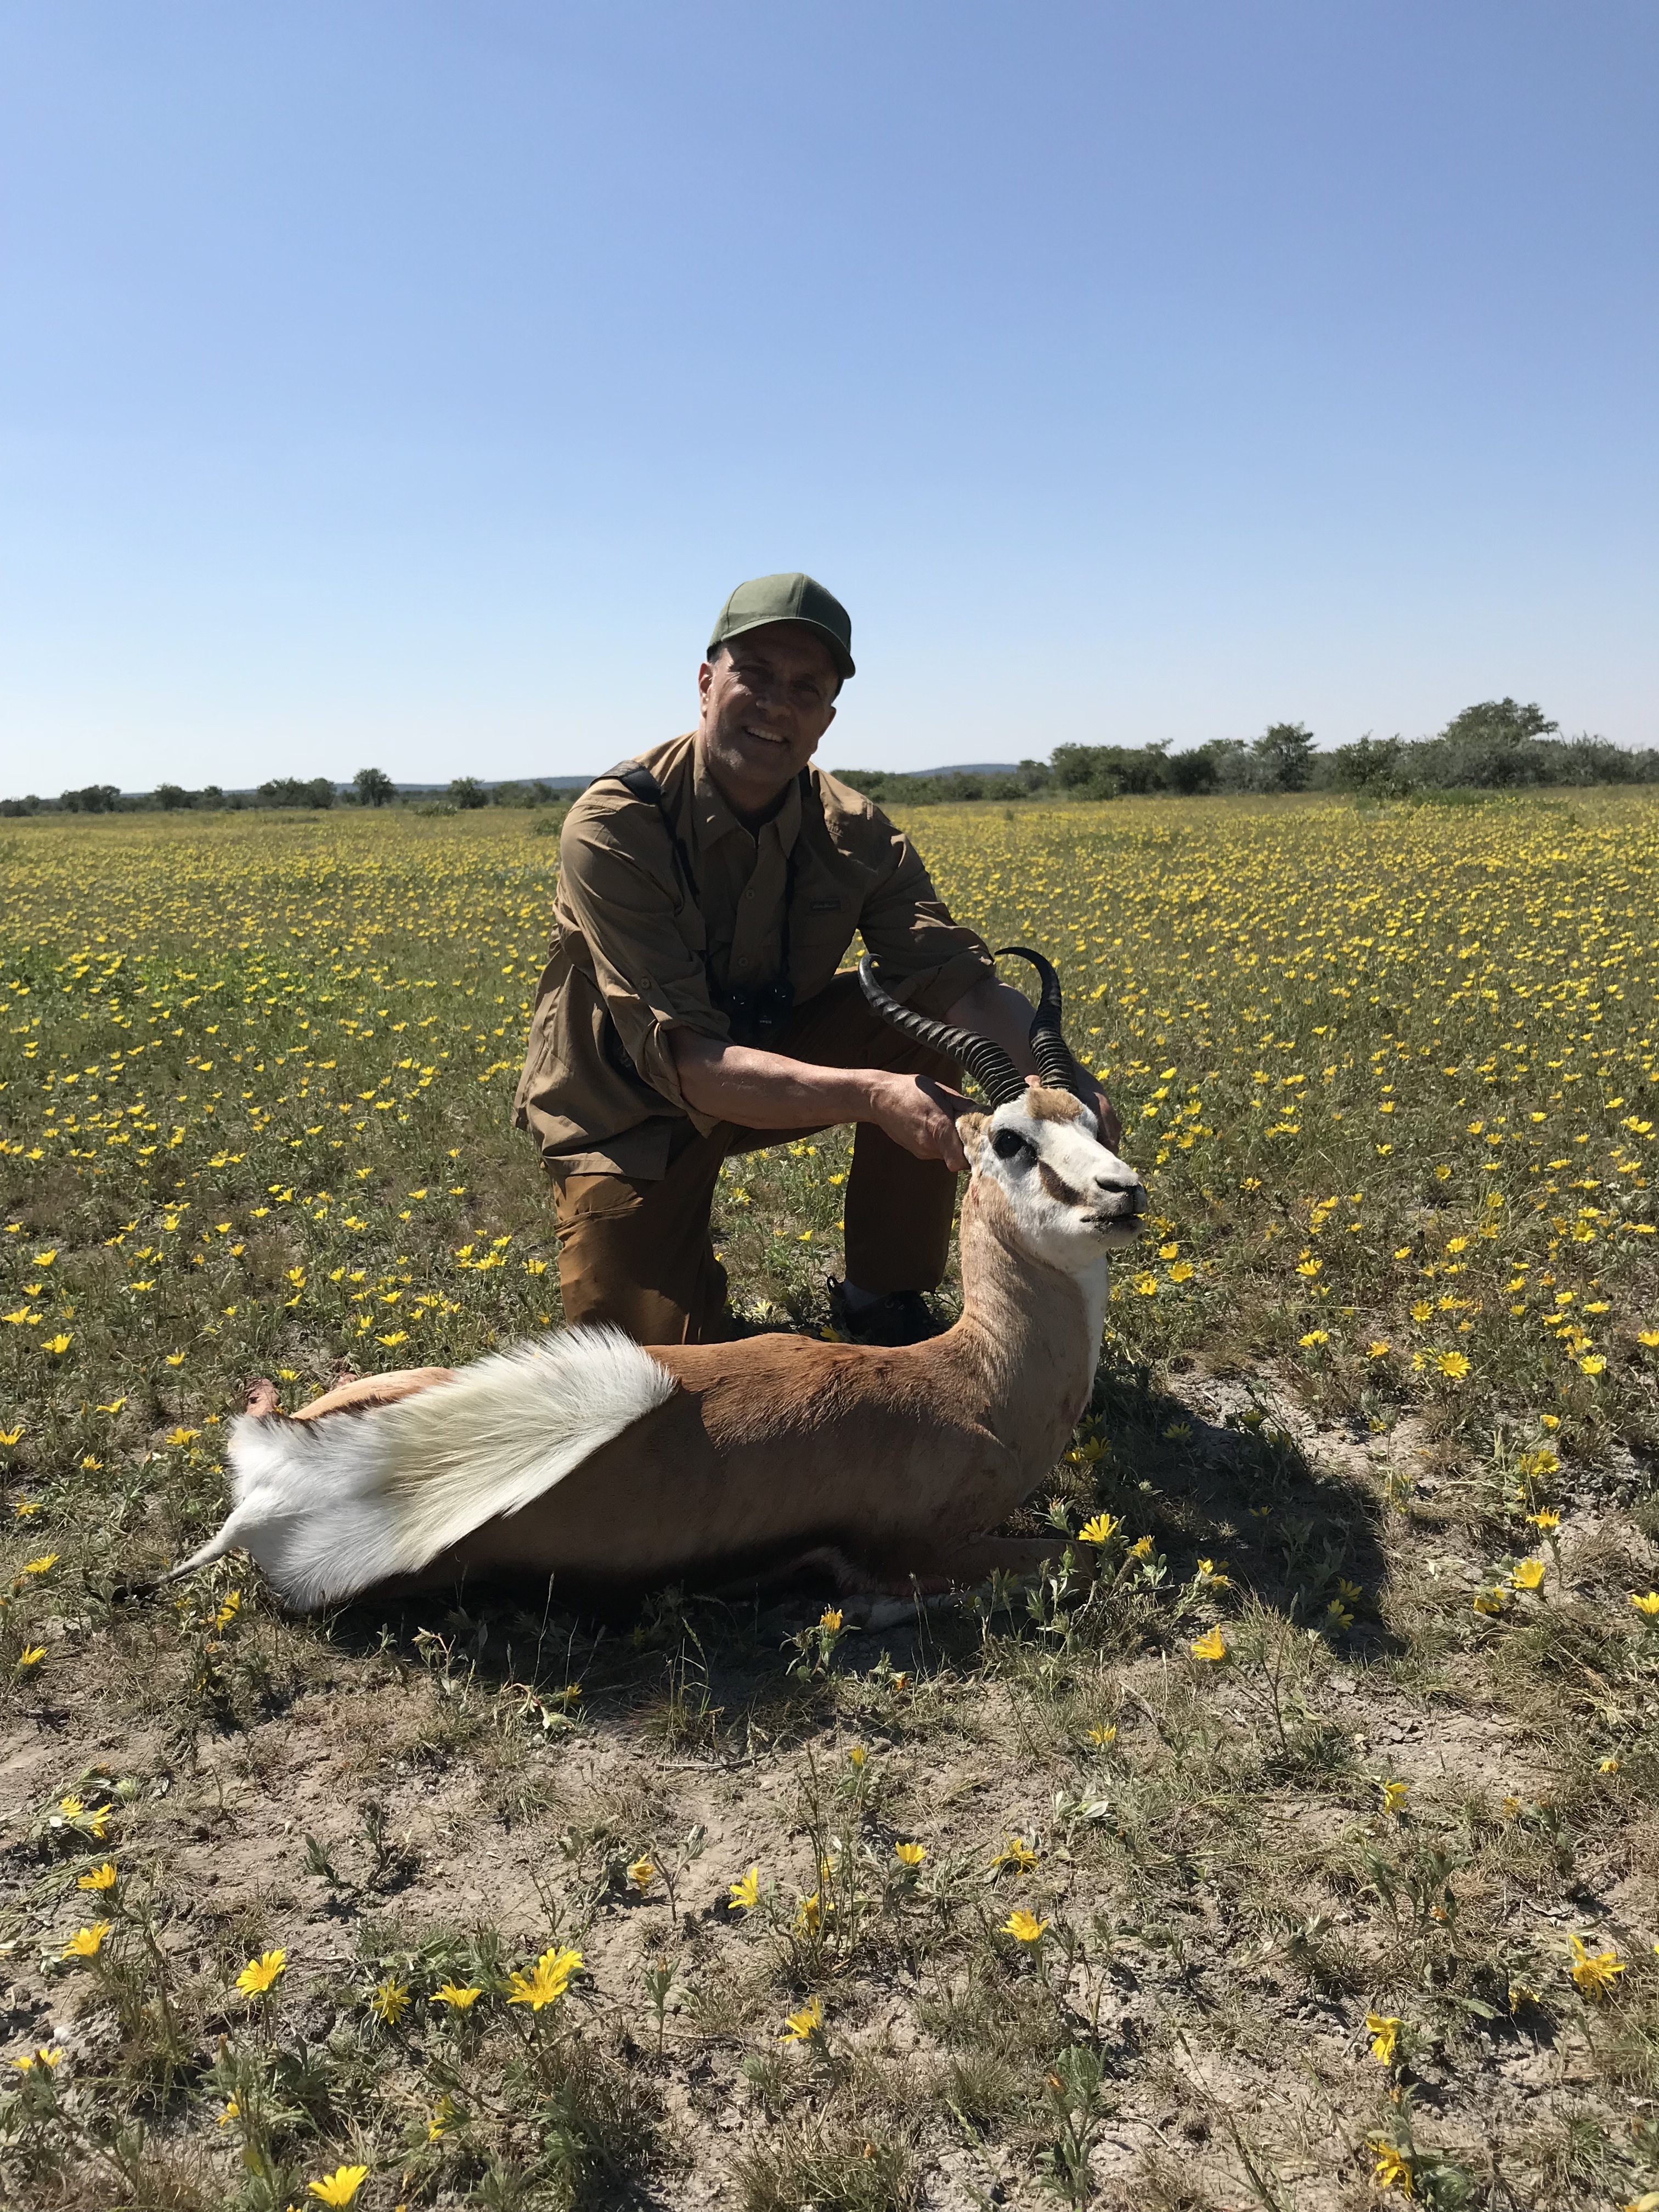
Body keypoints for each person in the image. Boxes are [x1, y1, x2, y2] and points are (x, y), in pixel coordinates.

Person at [513, 572, 1119, 1346]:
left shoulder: (857, 832)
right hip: (630, 1110)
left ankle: (883, 1302)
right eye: (755, 675)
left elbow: (961, 986)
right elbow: (690, 1062)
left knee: (922, 1020)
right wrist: (875, 1094)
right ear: (706, 683)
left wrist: (1071, 1086)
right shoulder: (619, 825)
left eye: (806, 687)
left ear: (827, 716)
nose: (777, 704)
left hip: (770, 1065)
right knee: (643, 1380)